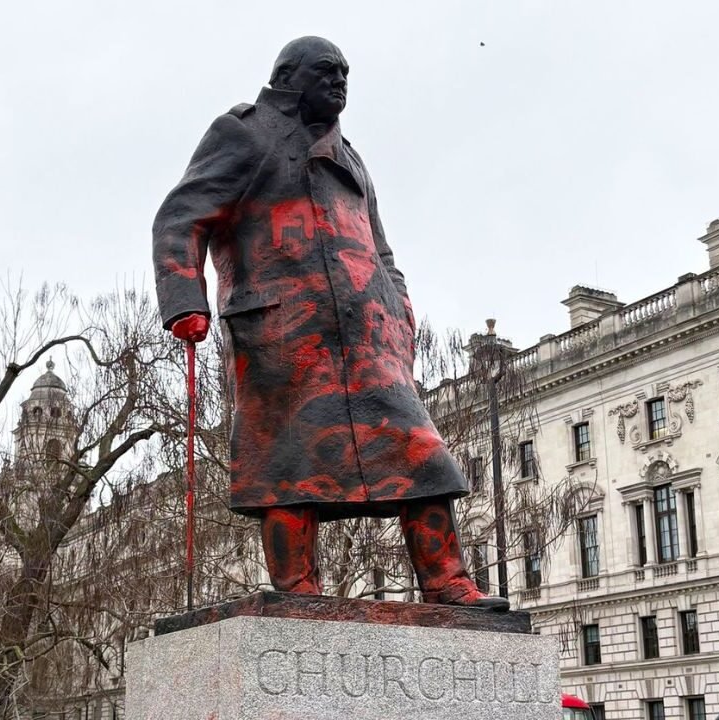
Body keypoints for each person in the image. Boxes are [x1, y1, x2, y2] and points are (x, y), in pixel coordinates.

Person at [153, 36, 508, 610]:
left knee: (421, 453)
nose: (340, 81)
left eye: (345, 72)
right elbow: (180, 217)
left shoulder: (352, 156)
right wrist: (183, 300)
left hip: (368, 336)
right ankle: (298, 590)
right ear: (288, 77)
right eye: (326, 71)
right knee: (286, 461)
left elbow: (380, 248)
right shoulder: (243, 133)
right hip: (281, 333)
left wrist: (400, 314)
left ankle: (447, 581)